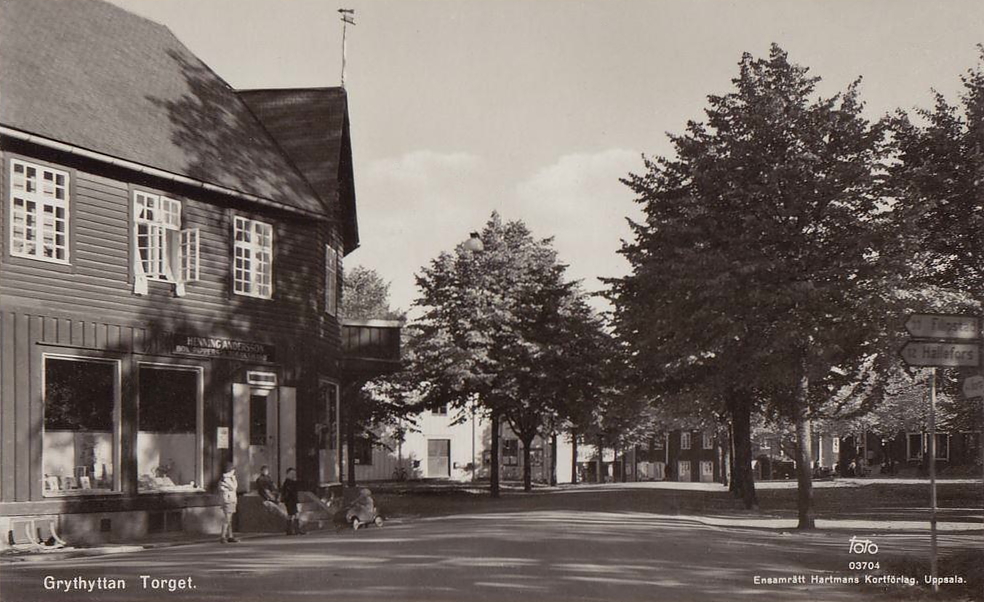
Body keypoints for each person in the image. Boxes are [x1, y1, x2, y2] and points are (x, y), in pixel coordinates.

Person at [218, 462, 239, 543]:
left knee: (229, 519)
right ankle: (223, 536)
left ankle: (230, 535)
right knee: (227, 519)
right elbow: (233, 487)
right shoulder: (226, 479)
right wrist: (233, 479)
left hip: (230, 499)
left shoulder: (227, 478)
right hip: (228, 500)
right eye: (233, 470)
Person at [281, 467, 304, 535]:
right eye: (291, 473)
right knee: (293, 514)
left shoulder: (292, 482)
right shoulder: (287, 482)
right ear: (288, 474)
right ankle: (294, 529)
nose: (293, 475)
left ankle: (291, 530)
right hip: (289, 500)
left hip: (292, 500)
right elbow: (288, 492)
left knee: (292, 514)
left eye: (294, 473)